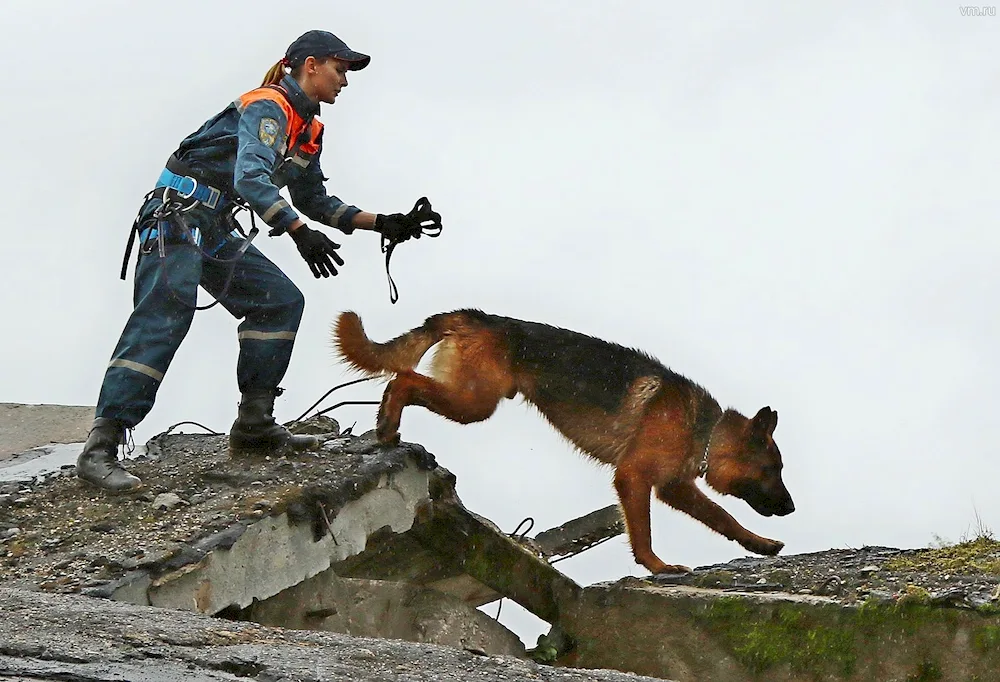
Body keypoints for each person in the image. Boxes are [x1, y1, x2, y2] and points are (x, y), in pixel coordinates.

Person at [77, 30, 437, 493]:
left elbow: (315, 199)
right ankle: (101, 446)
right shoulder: (268, 107)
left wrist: (383, 222)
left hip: (214, 226)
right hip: (177, 217)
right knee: (165, 314)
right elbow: (250, 178)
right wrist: (299, 234)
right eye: (340, 69)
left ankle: (254, 425)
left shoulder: (307, 129)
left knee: (279, 301)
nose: (345, 80)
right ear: (310, 65)